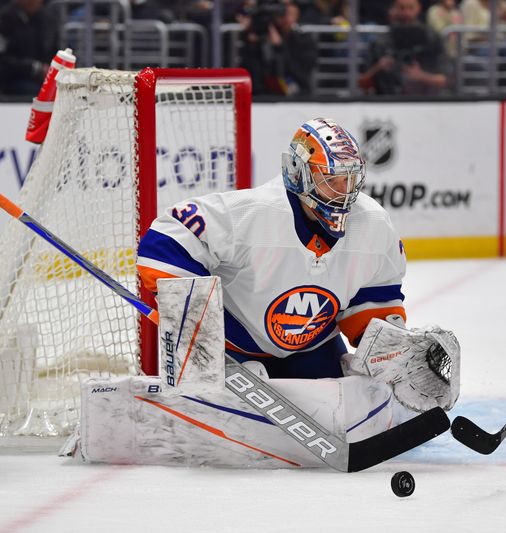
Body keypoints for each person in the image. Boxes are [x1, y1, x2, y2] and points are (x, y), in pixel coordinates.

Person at [64, 118, 459, 469]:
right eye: (330, 179)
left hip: (312, 348)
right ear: (299, 174)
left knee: (359, 402)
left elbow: (375, 301)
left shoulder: (373, 224)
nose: (343, 191)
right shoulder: (253, 214)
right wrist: (193, 324)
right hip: (233, 352)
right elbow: (167, 239)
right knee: (209, 418)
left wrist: (397, 352)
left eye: (350, 179)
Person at [358, 0, 449, 96]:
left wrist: (421, 76)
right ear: (393, 9)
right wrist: (378, 67)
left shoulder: (431, 39)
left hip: (423, 103)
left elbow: (446, 80)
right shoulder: (381, 43)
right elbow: (361, 83)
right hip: (387, 102)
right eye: (401, 7)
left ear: (418, 8)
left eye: (410, 8)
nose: (406, 13)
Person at [238, 0, 318, 96]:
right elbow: (248, 63)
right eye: (281, 13)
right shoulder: (263, 33)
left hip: (296, 90)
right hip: (262, 90)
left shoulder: (303, 39)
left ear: (297, 16)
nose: (284, 18)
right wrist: (248, 33)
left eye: (289, 14)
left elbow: (302, 70)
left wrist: (280, 46)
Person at [0, 0, 56, 96]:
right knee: (36, 91)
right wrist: (35, 68)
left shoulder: (47, 18)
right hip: (14, 79)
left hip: (45, 76)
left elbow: (55, 49)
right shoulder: (5, 19)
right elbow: (3, 60)